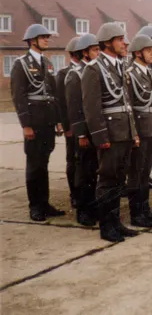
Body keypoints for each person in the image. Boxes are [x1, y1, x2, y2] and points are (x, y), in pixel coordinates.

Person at [81, 22, 140, 242]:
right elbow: (91, 108)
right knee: (107, 180)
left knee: (118, 180)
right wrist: (100, 137)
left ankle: (116, 222)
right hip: (110, 134)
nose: (124, 43)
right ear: (107, 42)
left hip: (123, 131)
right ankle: (106, 226)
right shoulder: (93, 69)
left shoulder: (120, 66)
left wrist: (133, 132)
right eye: (119, 39)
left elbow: (127, 103)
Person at [11, 24, 65, 222]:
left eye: (46, 37)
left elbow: (53, 94)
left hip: (47, 122)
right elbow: (18, 96)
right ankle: (35, 206)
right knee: (34, 165)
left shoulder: (47, 63)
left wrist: (58, 120)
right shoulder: (21, 64)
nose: (46, 40)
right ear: (32, 40)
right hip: (33, 122)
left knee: (44, 163)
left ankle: (45, 203)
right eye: (43, 37)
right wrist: (26, 125)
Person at [125, 35, 152, 227]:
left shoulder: (149, 72)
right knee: (136, 173)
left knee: (145, 173)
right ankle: (136, 214)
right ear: (138, 52)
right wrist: (133, 133)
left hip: (151, 127)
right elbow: (129, 106)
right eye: (149, 51)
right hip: (140, 128)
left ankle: (145, 210)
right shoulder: (130, 73)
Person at [65, 33, 100, 226]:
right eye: (94, 50)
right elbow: (74, 108)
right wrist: (80, 133)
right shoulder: (75, 75)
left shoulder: (95, 71)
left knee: (95, 170)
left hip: (96, 129)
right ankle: (83, 210)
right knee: (83, 171)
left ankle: (94, 206)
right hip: (84, 132)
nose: (98, 53)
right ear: (84, 53)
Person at [137, 25, 152, 189]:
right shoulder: (132, 66)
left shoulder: (151, 66)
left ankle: (147, 177)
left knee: (150, 154)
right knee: (139, 159)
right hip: (141, 118)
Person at [56, 36, 80, 208]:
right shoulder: (64, 73)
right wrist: (66, 127)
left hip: (85, 125)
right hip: (72, 125)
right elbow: (61, 103)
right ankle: (75, 193)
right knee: (73, 160)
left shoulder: (90, 70)